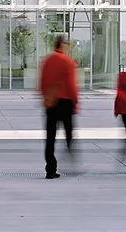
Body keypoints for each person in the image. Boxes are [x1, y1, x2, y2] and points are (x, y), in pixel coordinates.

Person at [39, 34, 79, 179]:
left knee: (50, 137)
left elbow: (42, 82)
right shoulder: (67, 61)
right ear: (62, 45)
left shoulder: (47, 60)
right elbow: (71, 84)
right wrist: (75, 102)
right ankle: (71, 158)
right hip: (66, 102)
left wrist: (45, 97)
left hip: (51, 103)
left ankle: (50, 169)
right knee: (69, 133)